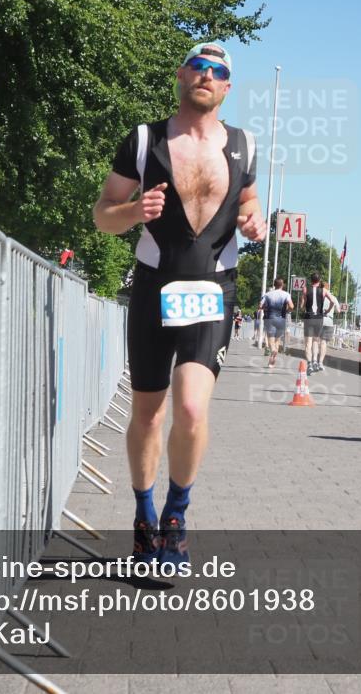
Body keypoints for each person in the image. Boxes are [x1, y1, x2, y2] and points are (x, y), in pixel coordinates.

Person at [92, 42, 266, 566]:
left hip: (212, 288)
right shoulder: (145, 140)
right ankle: (144, 515)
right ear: (181, 74)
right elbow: (102, 215)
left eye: (218, 71)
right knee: (148, 412)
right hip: (153, 285)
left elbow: (250, 202)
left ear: (228, 86)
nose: (206, 75)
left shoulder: (245, 145)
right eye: (198, 66)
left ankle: (176, 513)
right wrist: (131, 209)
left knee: (191, 406)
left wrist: (254, 221)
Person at [300, 273, 333, 374]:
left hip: (309, 317)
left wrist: (303, 306)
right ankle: (315, 360)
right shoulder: (324, 290)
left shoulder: (305, 289)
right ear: (319, 280)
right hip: (319, 318)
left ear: (311, 280)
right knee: (316, 341)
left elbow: (302, 305)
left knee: (307, 343)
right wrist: (327, 311)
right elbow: (332, 301)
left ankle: (309, 363)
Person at [260, 277, 294, 368]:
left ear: (274, 285)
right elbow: (291, 306)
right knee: (277, 340)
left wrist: (265, 308)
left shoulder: (267, 294)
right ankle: (272, 362)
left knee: (271, 339)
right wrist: (287, 310)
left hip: (270, 318)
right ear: (282, 285)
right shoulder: (286, 294)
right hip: (281, 319)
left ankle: (273, 350)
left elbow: (260, 306)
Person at [315, 280, 338, 372]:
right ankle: (320, 362)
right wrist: (332, 310)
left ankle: (314, 360)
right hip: (329, 321)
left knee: (316, 341)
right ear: (328, 287)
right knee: (324, 342)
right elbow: (339, 310)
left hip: (318, 319)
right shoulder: (333, 297)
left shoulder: (318, 296)